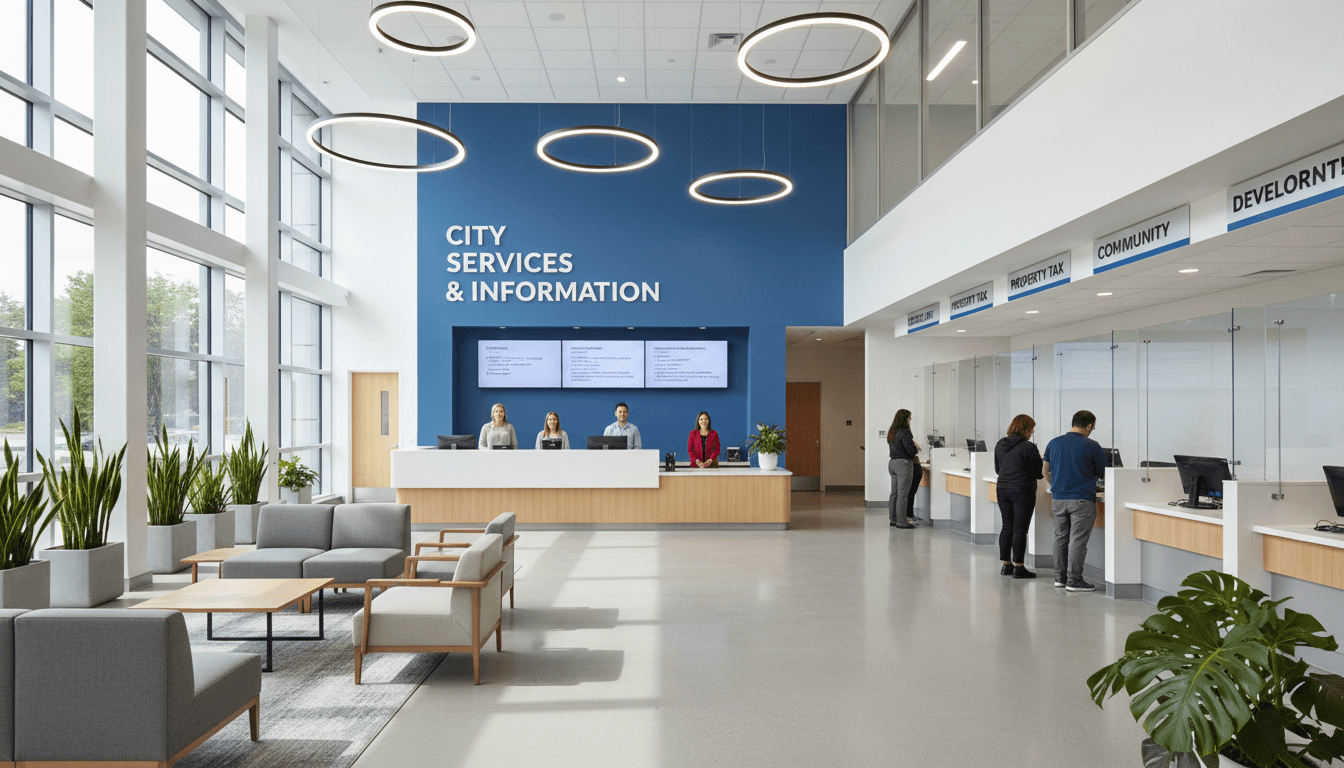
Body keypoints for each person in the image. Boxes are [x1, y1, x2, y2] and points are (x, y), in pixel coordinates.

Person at [1042, 409, 1109, 592]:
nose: (1091, 431)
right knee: (1077, 541)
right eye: (1092, 428)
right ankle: (1074, 581)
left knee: (1060, 538)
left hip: (1058, 498)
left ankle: (1059, 578)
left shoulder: (1053, 443)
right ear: (1089, 426)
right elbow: (1104, 473)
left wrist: (1056, 484)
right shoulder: (1092, 445)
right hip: (1081, 500)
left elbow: (1045, 470)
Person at [994, 414, 1043, 579]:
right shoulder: (1028, 447)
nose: (1032, 432)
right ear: (1026, 429)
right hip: (1022, 490)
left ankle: (1006, 566)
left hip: (1002, 488)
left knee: (1006, 526)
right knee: (1020, 528)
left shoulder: (1000, 444)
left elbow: (997, 469)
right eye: (1032, 429)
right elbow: (1038, 472)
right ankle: (1019, 567)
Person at [886, 409, 919, 529]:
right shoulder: (905, 432)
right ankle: (902, 521)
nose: (910, 420)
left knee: (894, 493)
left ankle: (893, 519)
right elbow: (910, 450)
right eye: (909, 417)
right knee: (903, 495)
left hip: (892, 463)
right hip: (903, 464)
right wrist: (915, 447)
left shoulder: (892, 432)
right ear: (905, 418)